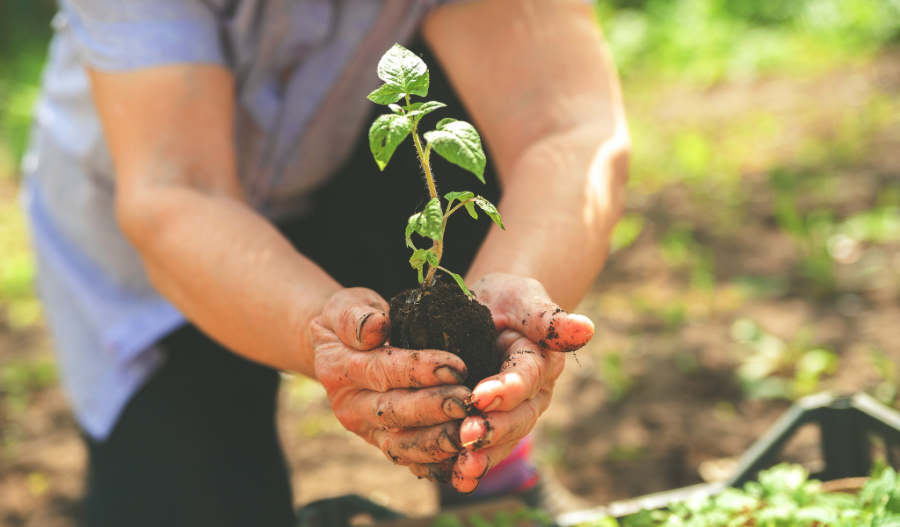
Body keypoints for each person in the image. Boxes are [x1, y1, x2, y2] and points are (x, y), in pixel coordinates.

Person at [22, 0, 629, 525]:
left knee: (460, 117)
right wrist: (318, 331)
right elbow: (178, 190)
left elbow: (564, 128)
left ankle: (485, 444)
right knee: (187, 498)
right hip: (157, 249)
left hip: (338, 179)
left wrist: (519, 286)